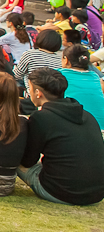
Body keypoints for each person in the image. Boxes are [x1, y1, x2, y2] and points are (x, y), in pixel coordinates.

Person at [18, 68, 104, 206]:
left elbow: (28, 161)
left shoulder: (41, 118)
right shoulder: (86, 114)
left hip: (62, 192)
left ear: (38, 93)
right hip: (96, 193)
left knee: (11, 152)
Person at [60, 44, 104, 130]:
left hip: (77, 128)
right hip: (100, 127)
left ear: (66, 60)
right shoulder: (94, 76)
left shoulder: (59, 74)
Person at [14, 29, 65, 97]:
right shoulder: (61, 59)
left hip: (33, 94)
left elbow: (17, 75)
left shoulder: (30, 54)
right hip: (52, 96)